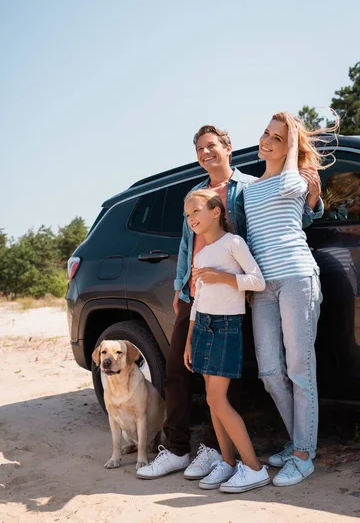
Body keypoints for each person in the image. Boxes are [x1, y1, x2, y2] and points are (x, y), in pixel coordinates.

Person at [136, 125, 323, 481]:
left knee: (222, 377)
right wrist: (181, 286)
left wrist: (313, 200)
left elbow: (284, 218)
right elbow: (186, 245)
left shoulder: (250, 187)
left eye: (212, 146)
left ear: (228, 148)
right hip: (197, 293)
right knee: (178, 368)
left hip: (236, 292)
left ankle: (217, 450)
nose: (206, 153)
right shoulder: (195, 193)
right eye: (199, 149)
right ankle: (176, 449)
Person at [243, 112, 335, 487]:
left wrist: (294, 137)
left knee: (300, 370)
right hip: (263, 287)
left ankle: (302, 455)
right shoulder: (248, 188)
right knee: (269, 372)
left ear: (290, 146)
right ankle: (297, 441)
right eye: (266, 133)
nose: (267, 141)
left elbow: (301, 194)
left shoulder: (295, 180)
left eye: (277, 138)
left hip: (297, 277)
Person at [181, 188, 271, 493]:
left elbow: (257, 281)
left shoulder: (233, 243)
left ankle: (255, 468)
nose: (191, 218)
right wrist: (189, 339)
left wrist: (225, 278)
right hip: (203, 326)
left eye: (196, 211)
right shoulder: (202, 253)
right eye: (188, 214)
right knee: (211, 399)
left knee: (217, 399)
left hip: (226, 326)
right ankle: (229, 463)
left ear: (216, 211)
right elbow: (197, 299)